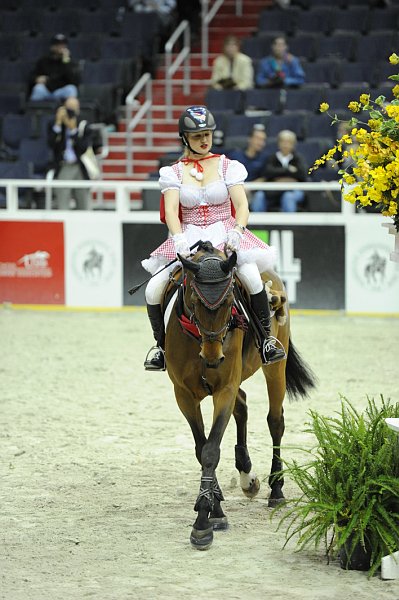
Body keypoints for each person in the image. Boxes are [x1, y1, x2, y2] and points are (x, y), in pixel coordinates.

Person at [142, 105, 286, 371]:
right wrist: (178, 239)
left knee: (253, 279)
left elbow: (242, 206)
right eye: (197, 136)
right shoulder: (173, 173)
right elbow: (172, 211)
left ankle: (266, 341)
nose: (204, 140)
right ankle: (161, 348)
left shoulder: (227, 166)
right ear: (185, 138)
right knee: (153, 289)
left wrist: (237, 231)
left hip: (226, 232)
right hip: (188, 236)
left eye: (207, 134)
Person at [47, 97, 101, 210]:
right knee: (62, 201)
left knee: (83, 203)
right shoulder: (55, 123)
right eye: (68, 108)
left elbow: (84, 147)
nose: (70, 111)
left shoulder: (84, 124)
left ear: (78, 109)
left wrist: (73, 130)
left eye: (73, 108)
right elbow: (51, 144)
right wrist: (58, 123)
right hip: (63, 165)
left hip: (80, 166)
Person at [259, 130, 307, 212]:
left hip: (293, 190)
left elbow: (302, 174)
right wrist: (288, 170)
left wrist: (278, 176)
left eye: (289, 142)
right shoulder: (272, 158)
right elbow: (267, 173)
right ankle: (257, 224)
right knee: (259, 196)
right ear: (278, 143)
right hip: (273, 190)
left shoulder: (298, 158)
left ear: (293, 145)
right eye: (283, 142)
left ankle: (290, 224)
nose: (286, 145)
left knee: (288, 197)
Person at [226, 124, 270, 212]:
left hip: (254, 191)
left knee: (260, 196)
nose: (261, 142)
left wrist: (249, 188)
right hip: (235, 189)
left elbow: (265, 178)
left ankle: (259, 225)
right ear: (250, 139)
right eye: (258, 139)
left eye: (263, 140)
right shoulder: (235, 155)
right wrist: (240, 188)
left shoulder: (265, 158)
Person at [29, 34, 80, 102]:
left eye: (63, 45)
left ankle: (70, 112)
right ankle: (34, 111)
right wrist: (37, 79)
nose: (60, 47)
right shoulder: (43, 61)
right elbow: (31, 76)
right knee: (38, 88)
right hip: (47, 90)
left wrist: (66, 60)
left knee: (71, 89)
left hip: (61, 91)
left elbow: (74, 81)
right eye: (57, 45)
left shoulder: (69, 62)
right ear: (52, 46)